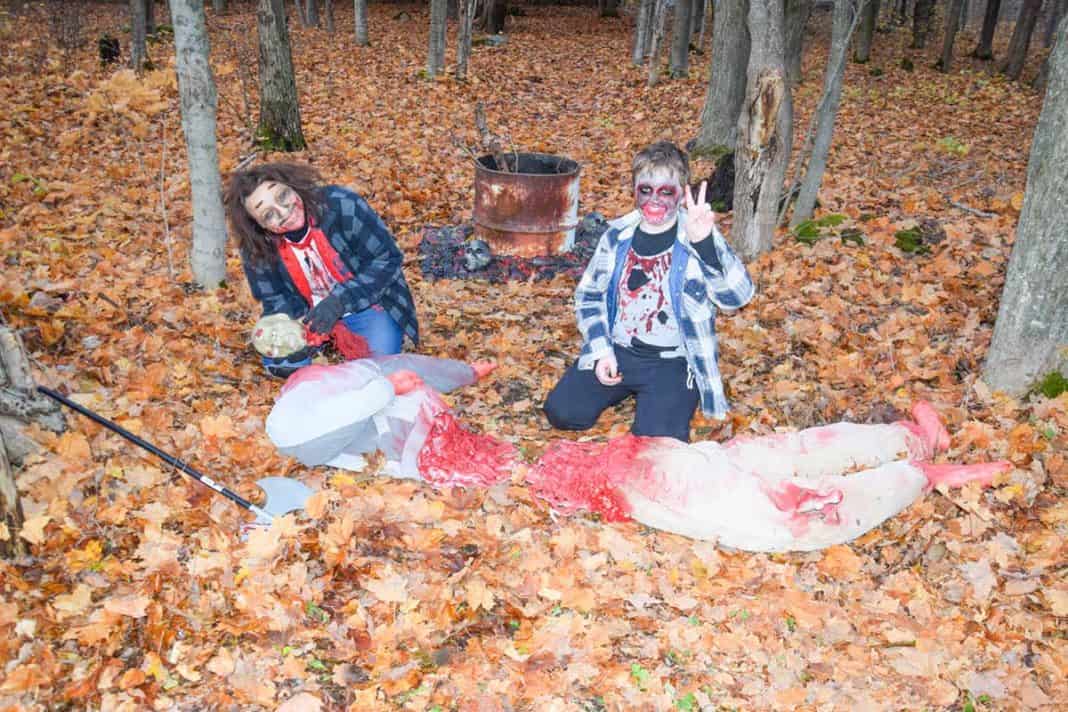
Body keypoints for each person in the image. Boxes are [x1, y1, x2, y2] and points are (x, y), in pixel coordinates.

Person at [543, 141, 755, 442]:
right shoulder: (617, 236)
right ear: (634, 191)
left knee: (656, 442)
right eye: (646, 190)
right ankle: (622, 387)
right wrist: (602, 351)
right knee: (562, 413)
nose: (654, 200)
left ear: (681, 193)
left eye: (666, 191)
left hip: (672, 361)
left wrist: (705, 245)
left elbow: (737, 298)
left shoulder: (696, 233)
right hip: (620, 350)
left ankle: (665, 399)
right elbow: (589, 296)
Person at [224, 162, 419, 378]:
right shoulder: (257, 248)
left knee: (377, 366)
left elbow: (386, 260)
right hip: (309, 317)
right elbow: (276, 299)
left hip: (368, 304)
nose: (284, 211)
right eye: (268, 214)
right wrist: (296, 333)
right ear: (259, 226)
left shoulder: (342, 205)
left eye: (282, 196)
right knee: (283, 364)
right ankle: (319, 346)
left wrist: (340, 301)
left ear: (292, 186)